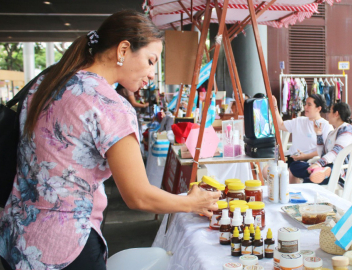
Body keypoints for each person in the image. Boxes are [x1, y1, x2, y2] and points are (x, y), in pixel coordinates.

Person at [0, 10, 219, 270]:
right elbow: (138, 196)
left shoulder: (46, 83)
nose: (152, 74)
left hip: (18, 237)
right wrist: (192, 203)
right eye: (151, 61)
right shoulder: (109, 105)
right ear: (123, 49)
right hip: (68, 247)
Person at [289, 102, 352, 185]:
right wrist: (318, 134)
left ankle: (320, 171)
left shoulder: (347, 130)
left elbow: (336, 151)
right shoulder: (332, 133)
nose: (328, 115)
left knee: (309, 181)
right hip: (326, 165)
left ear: (336, 114)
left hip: (338, 170)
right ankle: (317, 171)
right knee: (294, 166)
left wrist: (318, 164)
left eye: (330, 112)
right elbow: (322, 153)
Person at [271, 94, 333, 183]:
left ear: (318, 108)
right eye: (305, 104)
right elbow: (280, 125)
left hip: (310, 161)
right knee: (267, 171)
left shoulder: (326, 126)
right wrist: (275, 107)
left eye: (309, 104)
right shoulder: (299, 121)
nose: (305, 107)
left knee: (288, 175)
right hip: (293, 158)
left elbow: (326, 150)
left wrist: (305, 156)